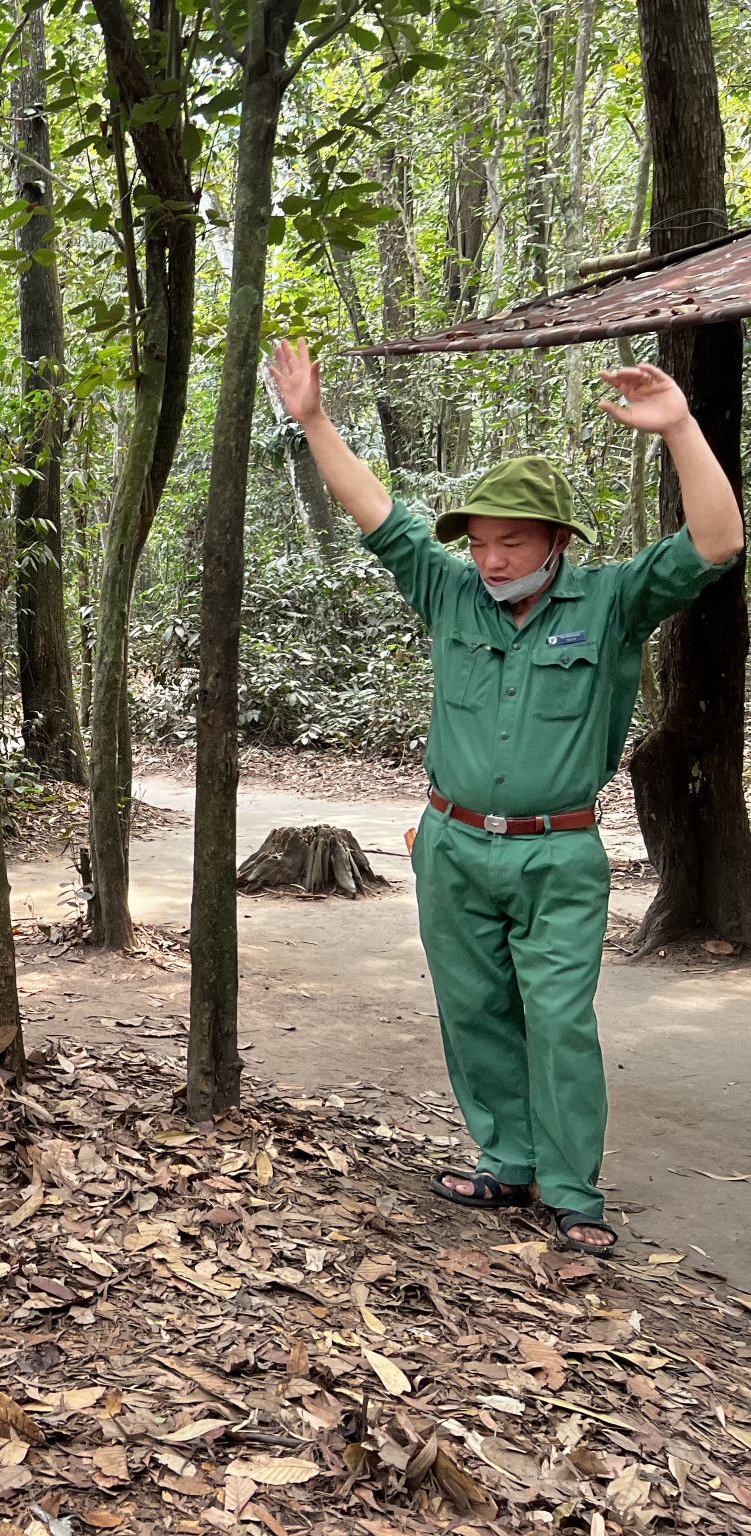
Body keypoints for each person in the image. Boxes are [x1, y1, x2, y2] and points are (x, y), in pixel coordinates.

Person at [268, 340, 744, 1256]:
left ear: (557, 541)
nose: (489, 559)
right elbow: (379, 513)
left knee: (558, 1020)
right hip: (451, 844)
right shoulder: (449, 594)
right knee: (474, 1008)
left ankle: (571, 1190)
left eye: (511, 541)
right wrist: (314, 420)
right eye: (480, 542)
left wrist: (680, 427)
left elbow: (716, 543)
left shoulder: (611, 602)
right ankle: (508, 1159)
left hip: (556, 853)